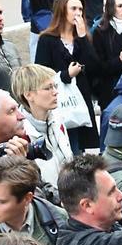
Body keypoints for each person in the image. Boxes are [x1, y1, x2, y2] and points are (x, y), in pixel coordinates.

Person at [33, 0, 98, 152]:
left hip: (80, 101)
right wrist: (66, 75)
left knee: (80, 148)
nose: (78, 13)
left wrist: (82, 36)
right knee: (66, 145)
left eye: (80, 9)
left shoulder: (82, 37)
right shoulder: (47, 39)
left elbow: (94, 66)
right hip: (59, 100)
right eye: (73, 8)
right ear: (63, 10)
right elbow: (41, 72)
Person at [11, 62, 75, 191]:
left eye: (55, 86)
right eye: (48, 88)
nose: (55, 92)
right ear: (28, 95)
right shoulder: (19, 133)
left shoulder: (57, 118)